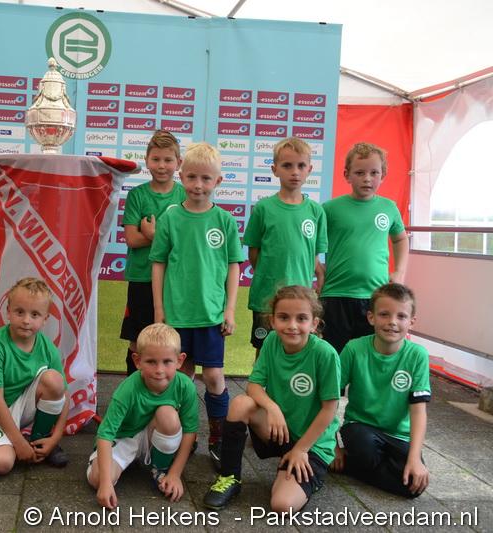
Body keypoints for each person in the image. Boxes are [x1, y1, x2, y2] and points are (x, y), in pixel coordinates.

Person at [203, 286, 340, 513]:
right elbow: (254, 385)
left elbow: (329, 410)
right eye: (284, 317)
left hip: (311, 443)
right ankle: (229, 477)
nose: (292, 325)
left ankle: (306, 472)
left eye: (301, 318)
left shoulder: (325, 354)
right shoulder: (272, 341)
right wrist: (272, 407)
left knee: (282, 505)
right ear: (272, 321)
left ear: (314, 324)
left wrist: (301, 450)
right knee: (240, 404)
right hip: (280, 431)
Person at [149, 141, 244, 467]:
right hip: (177, 315)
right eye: (191, 177)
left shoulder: (225, 220)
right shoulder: (171, 217)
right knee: (181, 378)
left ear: (218, 181)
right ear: (181, 175)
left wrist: (229, 310)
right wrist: (159, 310)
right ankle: (181, 436)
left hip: (211, 316)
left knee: (214, 377)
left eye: (206, 178)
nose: (198, 185)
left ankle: (218, 437)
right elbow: (158, 263)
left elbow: (234, 266)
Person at [331, 283, 430, 497]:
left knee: (413, 486)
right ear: (371, 317)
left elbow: (418, 411)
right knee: (363, 445)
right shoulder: (354, 349)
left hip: (398, 436)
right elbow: (329, 397)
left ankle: (351, 466)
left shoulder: (418, 355)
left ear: (411, 322)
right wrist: (332, 444)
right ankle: (362, 461)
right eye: (384, 314)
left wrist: (415, 458)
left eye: (401, 316)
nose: (392, 322)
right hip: (360, 428)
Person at [0, 277, 69, 475]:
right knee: (1, 463)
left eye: (35, 314)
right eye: (19, 312)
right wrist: (19, 443)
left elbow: (64, 394)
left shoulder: (48, 348)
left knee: (54, 380)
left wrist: (55, 437)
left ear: (45, 319)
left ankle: (39, 440)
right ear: (8, 312)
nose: (26, 320)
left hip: (19, 407)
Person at [87, 323, 198, 508]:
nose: (159, 370)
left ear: (180, 360)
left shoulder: (185, 386)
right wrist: (105, 484)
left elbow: (190, 431)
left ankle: (161, 468)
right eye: (151, 362)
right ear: (137, 361)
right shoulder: (127, 389)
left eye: (167, 362)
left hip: (154, 432)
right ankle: (119, 462)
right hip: (125, 437)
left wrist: (175, 474)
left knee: (168, 415)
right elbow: (105, 434)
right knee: (97, 479)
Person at [321, 142, 409, 354]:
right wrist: (317, 268)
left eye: (374, 173)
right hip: (336, 295)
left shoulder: (389, 207)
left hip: (375, 296)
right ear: (347, 175)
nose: (367, 178)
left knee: (368, 356)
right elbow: (311, 241)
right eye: (359, 173)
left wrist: (399, 272)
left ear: (383, 175)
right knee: (335, 355)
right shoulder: (330, 209)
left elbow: (400, 239)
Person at [243, 137, 327, 358]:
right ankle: (260, 382)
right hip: (266, 298)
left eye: (301, 166)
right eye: (287, 165)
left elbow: (313, 256)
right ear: (275, 169)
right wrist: (270, 275)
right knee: (264, 352)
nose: (295, 172)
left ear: (309, 169)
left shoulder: (316, 211)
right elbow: (254, 254)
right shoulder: (263, 208)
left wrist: (318, 281)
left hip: (302, 299)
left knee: (299, 351)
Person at [120, 130, 186, 375]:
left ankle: (169, 389)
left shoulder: (184, 195)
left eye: (168, 160)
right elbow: (131, 238)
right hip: (142, 278)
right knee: (138, 339)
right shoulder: (137, 195)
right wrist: (159, 238)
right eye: (156, 159)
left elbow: (185, 241)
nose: (161, 166)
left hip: (175, 280)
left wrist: (152, 234)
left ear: (179, 163)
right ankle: (132, 388)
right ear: (147, 161)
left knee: (173, 338)